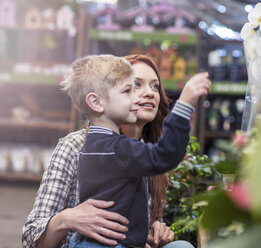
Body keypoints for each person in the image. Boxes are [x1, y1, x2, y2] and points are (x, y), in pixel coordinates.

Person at [22, 54, 210, 248]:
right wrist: (65, 220)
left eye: (155, 86)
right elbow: (29, 239)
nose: (147, 93)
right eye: (133, 86)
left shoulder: (138, 148)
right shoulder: (76, 146)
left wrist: (146, 231)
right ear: (97, 102)